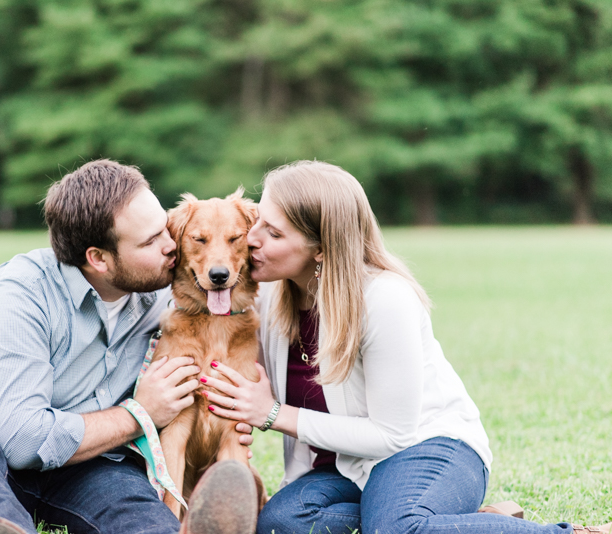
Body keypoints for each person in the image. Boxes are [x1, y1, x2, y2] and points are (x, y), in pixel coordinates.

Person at [199, 160, 610, 534]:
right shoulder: (266, 295)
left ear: (321, 249)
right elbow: (184, 290)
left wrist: (272, 413)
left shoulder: (384, 299)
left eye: (271, 232)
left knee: (397, 529)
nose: (250, 239)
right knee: (281, 524)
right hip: (346, 467)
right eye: (257, 222)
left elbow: (392, 435)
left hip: (430, 449)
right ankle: (460, 526)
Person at [0, 159, 257, 534]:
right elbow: (22, 441)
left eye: (165, 229)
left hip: (90, 467)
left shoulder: (163, 299)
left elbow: (243, 299)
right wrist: (139, 413)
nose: (171, 244)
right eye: (150, 241)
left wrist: (257, 396)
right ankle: (2, 526)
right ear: (98, 259)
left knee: (139, 513)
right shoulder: (20, 294)